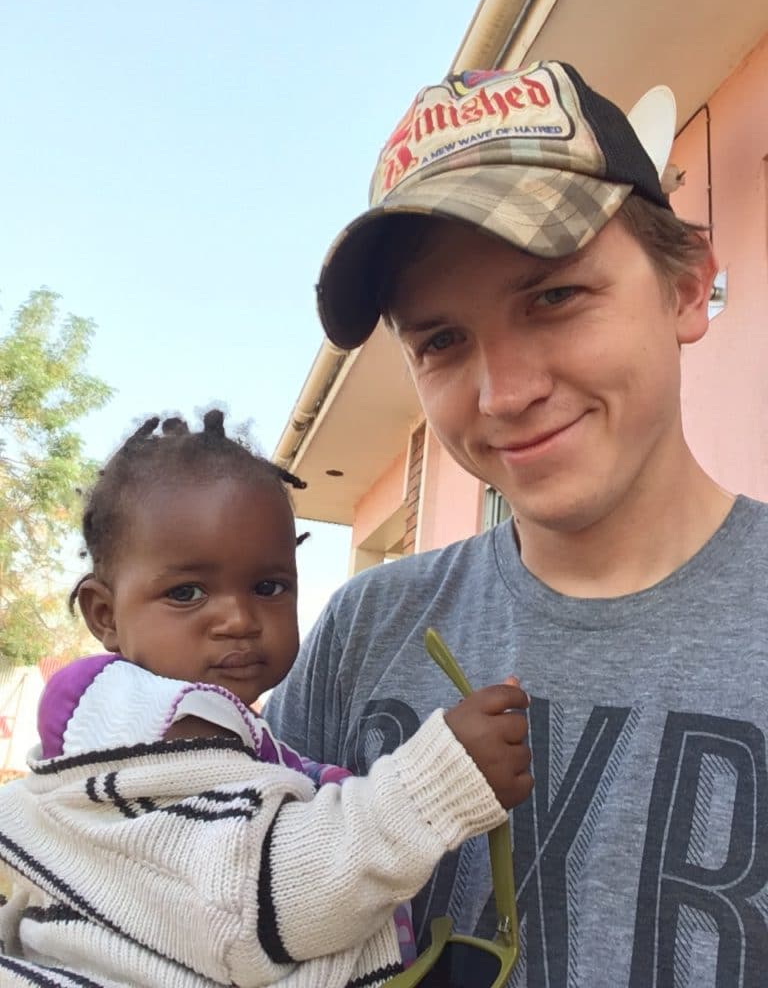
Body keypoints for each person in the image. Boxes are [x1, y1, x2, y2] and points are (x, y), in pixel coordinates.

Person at [264, 60, 768, 986]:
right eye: (443, 341)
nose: (505, 394)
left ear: (688, 288)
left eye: (554, 297)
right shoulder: (362, 635)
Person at [0, 410, 533, 988]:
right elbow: (265, 896)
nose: (238, 618)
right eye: (186, 592)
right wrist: (443, 781)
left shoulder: (210, 736)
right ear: (105, 615)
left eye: (268, 587)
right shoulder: (149, 738)